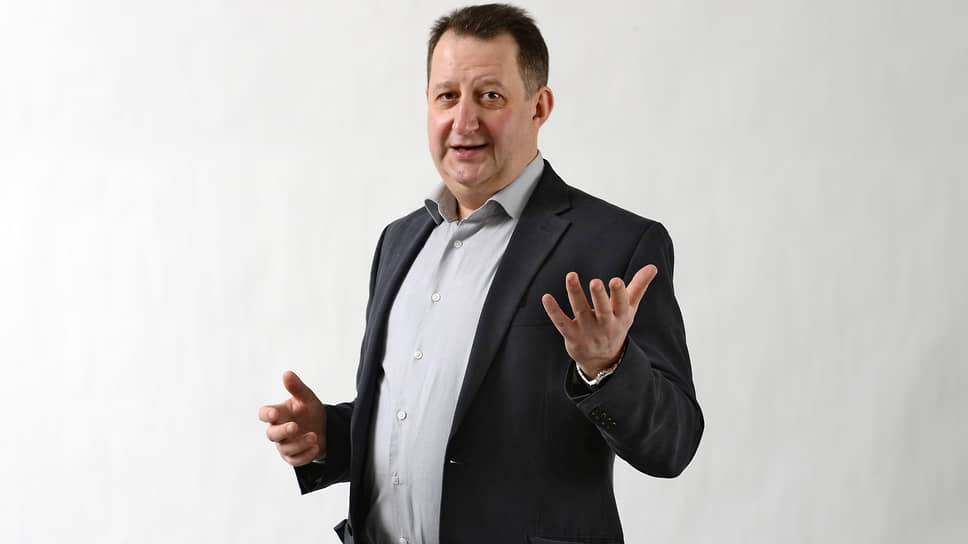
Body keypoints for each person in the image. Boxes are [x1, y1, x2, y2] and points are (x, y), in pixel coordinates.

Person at [259, 4, 703, 543]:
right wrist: (327, 435)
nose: (464, 121)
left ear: (539, 106)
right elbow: (422, 422)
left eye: (490, 96)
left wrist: (608, 367)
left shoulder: (615, 245)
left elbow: (673, 446)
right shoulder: (399, 241)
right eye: (447, 96)